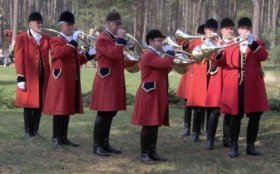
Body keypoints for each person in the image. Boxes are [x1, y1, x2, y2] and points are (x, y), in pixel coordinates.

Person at [216, 17, 269, 158]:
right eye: (242, 28)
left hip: (253, 86)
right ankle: (234, 146)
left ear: (250, 29)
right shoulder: (229, 44)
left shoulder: (258, 43)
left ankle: (250, 146)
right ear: (238, 30)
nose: (244, 30)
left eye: (247, 28)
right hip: (235, 85)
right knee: (235, 116)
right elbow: (220, 63)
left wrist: (252, 43)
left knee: (255, 116)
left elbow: (263, 56)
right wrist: (218, 53)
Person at [43, 11, 95, 147]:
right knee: (59, 109)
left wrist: (89, 55)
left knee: (67, 108)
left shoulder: (70, 42)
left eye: (72, 25)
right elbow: (59, 53)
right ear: (61, 26)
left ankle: (64, 137)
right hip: (59, 79)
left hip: (71, 80)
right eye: (68, 25)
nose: (71, 27)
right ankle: (56, 137)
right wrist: (72, 42)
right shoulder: (55, 40)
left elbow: (77, 60)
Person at [131, 29, 174, 165]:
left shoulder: (156, 54)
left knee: (155, 124)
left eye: (162, 41)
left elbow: (167, 68)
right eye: (159, 41)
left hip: (156, 92)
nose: (162, 43)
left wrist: (168, 56)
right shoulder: (148, 54)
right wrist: (170, 53)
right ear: (150, 41)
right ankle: (144, 154)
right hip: (149, 93)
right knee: (148, 125)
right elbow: (165, 64)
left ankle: (152, 152)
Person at [90, 11, 126, 156]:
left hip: (114, 78)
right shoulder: (102, 38)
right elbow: (113, 54)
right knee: (104, 112)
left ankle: (105, 143)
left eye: (119, 24)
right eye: (116, 24)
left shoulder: (113, 38)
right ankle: (97, 145)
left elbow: (119, 56)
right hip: (106, 79)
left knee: (111, 112)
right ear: (108, 24)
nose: (118, 27)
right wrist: (121, 40)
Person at [14, 12, 50, 139]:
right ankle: (28, 131)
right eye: (37, 23)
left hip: (43, 76)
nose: (40, 25)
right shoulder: (22, 37)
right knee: (29, 104)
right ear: (30, 24)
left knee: (40, 104)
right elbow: (18, 58)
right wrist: (20, 76)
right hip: (29, 77)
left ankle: (35, 130)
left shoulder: (45, 37)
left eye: (41, 22)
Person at [205, 18, 235, 150]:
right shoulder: (216, 42)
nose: (230, 30)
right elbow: (210, 58)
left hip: (229, 79)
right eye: (227, 28)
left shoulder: (236, 43)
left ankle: (226, 138)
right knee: (215, 111)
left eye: (231, 28)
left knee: (228, 110)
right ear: (222, 30)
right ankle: (210, 138)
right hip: (217, 79)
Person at [186, 19, 218, 142]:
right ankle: (195, 132)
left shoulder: (217, 42)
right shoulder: (197, 41)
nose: (212, 32)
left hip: (211, 75)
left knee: (210, 106)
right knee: (198, 106)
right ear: (205, 30)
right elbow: (188, 51)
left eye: (214, 30)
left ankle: (209, 133)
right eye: (210, 30)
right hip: (199, 75)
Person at [176, 24, 205, 137]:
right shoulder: (195, 41)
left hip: (200, 76)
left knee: (202, 105)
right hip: (190, 75)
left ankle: (200, 127)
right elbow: (184, 47)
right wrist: (186, 41)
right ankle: (187, 127)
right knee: (188, 103)